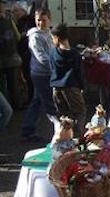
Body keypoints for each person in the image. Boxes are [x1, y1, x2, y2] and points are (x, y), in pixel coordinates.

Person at [21, 8, 56, 141]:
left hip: (47, 72)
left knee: (37, 101)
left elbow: (53, 52)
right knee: (49, 104)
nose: (41, 23)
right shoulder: (35, 36)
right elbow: (42, 57)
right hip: (40, 74)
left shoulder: (49, 33)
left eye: (43, 20)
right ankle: (59, 131)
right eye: (38, 20)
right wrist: (56, 67)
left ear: (49, 20)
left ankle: (27, 130)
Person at [49, 23, 86, 137]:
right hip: (71, 86)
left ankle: (64, 137)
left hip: (56, 87)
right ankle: (77, 137)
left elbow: (51, 68)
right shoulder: (74, 54)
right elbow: (79, 73)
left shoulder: (53, 53)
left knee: (63, 115)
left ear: (57, 38)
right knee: (80, 112)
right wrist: (81, 87)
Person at [0, 0, 22, 110]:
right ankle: (16, 106)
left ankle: (5, 107)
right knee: (13, 84)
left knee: (2, 86)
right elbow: (18, 36)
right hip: (12, 57)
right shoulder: (9, 20)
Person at [12, 3, 35, 101]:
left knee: (30, 78)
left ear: (23, 10)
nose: (14, 13)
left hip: (28, 53)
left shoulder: (29, 21)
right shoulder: (17, 22)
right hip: (22, 54)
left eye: (16, 11)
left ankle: (32, 98)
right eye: (13, 11)